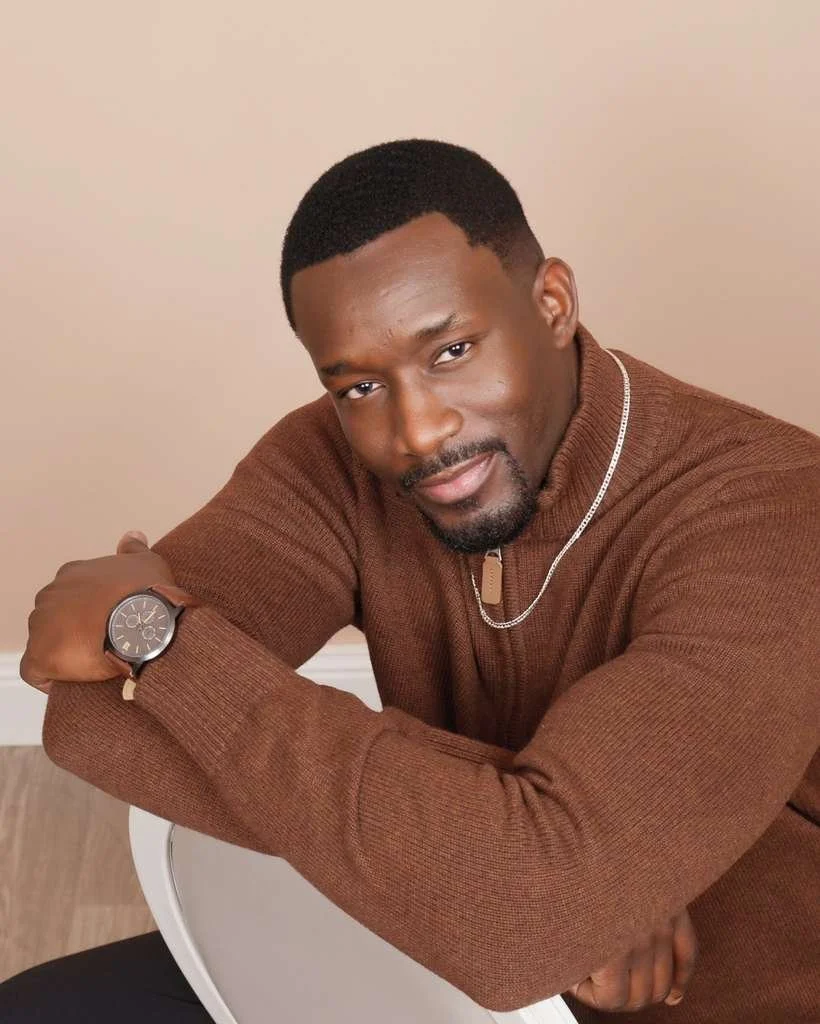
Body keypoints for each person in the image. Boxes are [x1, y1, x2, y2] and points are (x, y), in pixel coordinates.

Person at [5, 139, 818, 1022]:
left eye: (451, 351)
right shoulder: (328, 464)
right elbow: (91, 717)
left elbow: (525, 910)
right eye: (356, 386)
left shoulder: (772, 508)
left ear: (551, 303)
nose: (417, 432)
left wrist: (162, 639)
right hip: (421, 951)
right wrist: (581, 859)